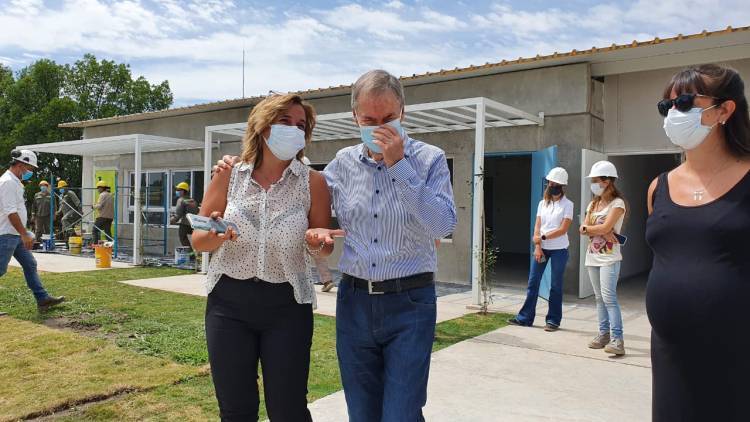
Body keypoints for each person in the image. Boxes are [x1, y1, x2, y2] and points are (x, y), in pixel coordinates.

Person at [215, 70, 457, 421]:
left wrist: (399, 165)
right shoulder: (341, 165)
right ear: (355, 117)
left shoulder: (429, 159)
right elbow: (294, 195)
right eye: (369, 119)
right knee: (361, 411)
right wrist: (239, 166)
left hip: (410, 301)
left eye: (388, 118)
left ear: (403, 112)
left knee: (400, 413)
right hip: (356, 301)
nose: (379, 127)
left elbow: (442, 224)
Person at [193, 93, 332, 421]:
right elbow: (199, 238)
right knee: (236, 410)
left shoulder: (314, 182)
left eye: (301, 125)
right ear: (261, 125)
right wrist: (216, 233)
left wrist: (318, 243)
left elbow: (322, 247)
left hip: (287, 308)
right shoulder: (228, 175)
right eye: (285, 121)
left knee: (289, 411)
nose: (294, 130)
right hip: (229, 305)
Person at [646, 64, 750, 422]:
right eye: (667, 106)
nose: (674, 114)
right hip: (670, 357)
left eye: (686, 102)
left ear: (725, 110)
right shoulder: (659, 187)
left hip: (737, 360)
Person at [0, 150, 65, 315]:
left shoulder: (15, 182)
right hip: (7, 234)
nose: (31, 172)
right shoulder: (7, 182)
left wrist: (24, 232)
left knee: (30, 264)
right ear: (20, 165)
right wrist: (24, 233)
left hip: (15, 234)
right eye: (29, 168)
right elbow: (10, 212)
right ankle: (42, 298)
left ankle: (42, 299)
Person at [508, 167, 573, 331]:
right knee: (533, 282)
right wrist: (538, 246)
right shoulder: (542, 203)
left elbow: (563, 230)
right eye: (550, 182)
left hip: (559, 250)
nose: (551, 184)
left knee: (556, 285)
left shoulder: (568, 205)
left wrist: (542, 238)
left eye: (555, 183)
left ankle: (553, 320)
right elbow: (537, 226)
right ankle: (525, 318)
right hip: (542, 249)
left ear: (562, 185)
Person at [580, 160, 627, 355]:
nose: (593, 183)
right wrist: (596, 230)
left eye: (595, 180)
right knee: (599, 298)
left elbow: (605, 228)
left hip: (609, 258)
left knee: (609, 298)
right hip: (592, 256)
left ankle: (617, 339)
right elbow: (582, 228)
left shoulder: (618, 204)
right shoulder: (593, 204)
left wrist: (595, 229)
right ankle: (603, 334)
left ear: (606, 181)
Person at [301, 156, 335, 293]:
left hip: (306, 224)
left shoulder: (312, 181)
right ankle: (327, 279)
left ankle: (325, 280)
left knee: (312, 252)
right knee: (316, 253)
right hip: (308, 223)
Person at [170, 182, 199, 251]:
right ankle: (197, 253)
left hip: (185, 223)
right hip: (194, 223)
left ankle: (190, 254)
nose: (176, 191)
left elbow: (178, 214)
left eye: (178, 190)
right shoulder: (192, 200)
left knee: (182, 236)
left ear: (183, 191)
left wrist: (171, 220)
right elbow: (197, 211)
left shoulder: (181, 200)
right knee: (195, 237)